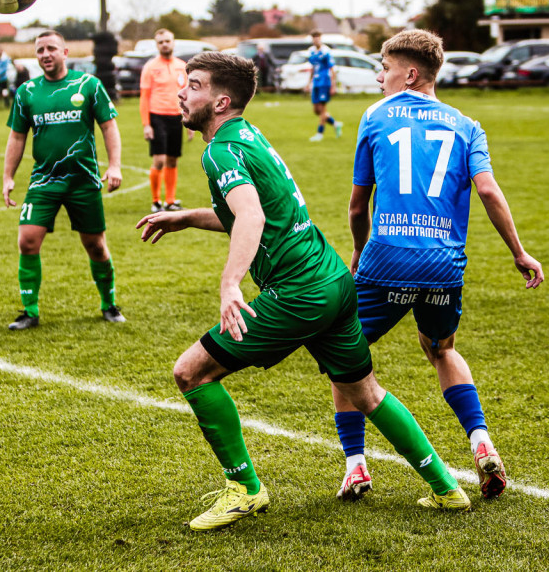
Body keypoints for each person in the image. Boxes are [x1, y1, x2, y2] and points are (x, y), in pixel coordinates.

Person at [137, 52, 471, 532]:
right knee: (366, 391)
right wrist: (186, 217)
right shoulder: (247, 136)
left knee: (191, 373)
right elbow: (261, 213)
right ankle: (446, 487)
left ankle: (245, 491)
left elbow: (250, 217)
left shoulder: (221, 151)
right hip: (333, 279)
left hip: (298, 293)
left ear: (220, 101)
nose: (181, 92)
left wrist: (231, 283)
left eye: (193, 85)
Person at [331, 30, 544, 504]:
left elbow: (355, 206)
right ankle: (480, 440)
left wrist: (359, 251)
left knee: (343, 358)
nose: (380, 79)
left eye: (384, 70)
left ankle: (356, 467)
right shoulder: (467, 124)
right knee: (442, 349)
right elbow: (488, 191)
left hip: (385, 262)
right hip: (443, 267)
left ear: (409, 74)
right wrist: (519, 252)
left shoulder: (374, 116)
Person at [2, 30, 125, 330]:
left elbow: (109, 127)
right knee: (27, 241)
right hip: (44, 181)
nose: (45, 54)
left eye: (51, 48)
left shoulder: (89, 85)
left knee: (95, 245)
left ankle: (108, 304)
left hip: (83, 180)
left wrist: (115, 165)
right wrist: (7, 176)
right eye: (40, 50)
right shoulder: (27, 92)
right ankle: (29, 311)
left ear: (65, 52)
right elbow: (17, 137)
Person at [140, 28, 191, 212]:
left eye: (167, 41)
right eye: (161, 42)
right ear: (157, 45)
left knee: (172, 160)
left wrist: (189, 121)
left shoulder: (181, 66)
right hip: (157, 116)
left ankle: (170, 200)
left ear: (173, 42)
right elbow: (144, 97)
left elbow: (187, 96)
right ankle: (156, 201)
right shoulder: (150, 67)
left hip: (176, 117)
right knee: (159, 160)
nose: (165, 45)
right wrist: (146, 124)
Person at [305, 30, 344, 142]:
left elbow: (332, 69)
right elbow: (313, 68)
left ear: (321, 38)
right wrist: (309, 83)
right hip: (316, 83)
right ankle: (335, 124)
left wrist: (333, 85)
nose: (316, 39)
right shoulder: (311, 52)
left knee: (322, 110)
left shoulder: (326, 51)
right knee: (316, 110)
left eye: (317, 37)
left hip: (325, 82)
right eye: (314, 37)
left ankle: (319, 133)